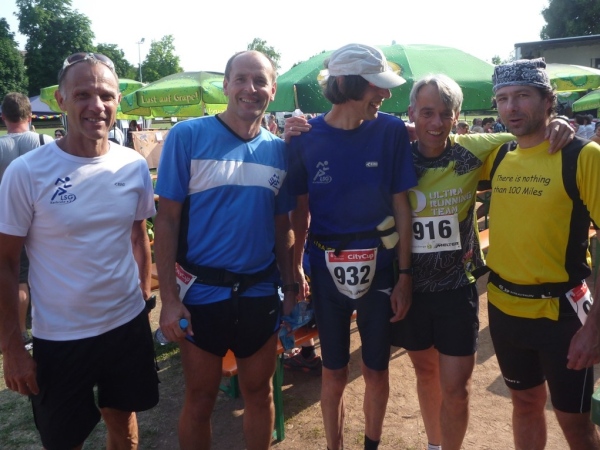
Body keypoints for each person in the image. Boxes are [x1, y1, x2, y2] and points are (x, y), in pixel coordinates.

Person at [388, 74, 573, 450]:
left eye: (445, 114)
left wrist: (558, 122)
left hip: (457, 287)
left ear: (457, 117)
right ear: (411, 113)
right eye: (427, 113)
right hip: (409, 286)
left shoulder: (474, 150)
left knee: (457, 389)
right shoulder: (396, 155)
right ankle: (434, 445)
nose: (436, 123)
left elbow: (528, 135)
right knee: (425, 372)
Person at [0, 52, 159, 449]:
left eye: (105, 95)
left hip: (125, 326)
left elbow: (138, 235)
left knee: (123, 423)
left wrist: (143, 294)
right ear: (61, 100)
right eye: (83, 94)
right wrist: (12, 346)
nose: (96, 105)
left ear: (118, 100)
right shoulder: (27, 172)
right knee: (63, 440)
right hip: (61, 336)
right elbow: (5, 262)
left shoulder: (133, 165)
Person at [154, 50, 296, 450]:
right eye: (241, 79)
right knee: (201, 399)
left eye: (260, 81)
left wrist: (290, 282)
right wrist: (169, 300)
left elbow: (281, 225)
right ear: (226, 85)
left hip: (259, 292)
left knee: (260, 393)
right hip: (201, 294)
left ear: (272, 90)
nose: (251, 88)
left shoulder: (279, 150)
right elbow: (166, 221)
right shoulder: (187, 136)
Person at [286, 43, 416, 450]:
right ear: (346, 84)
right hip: (325, 270)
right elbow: (299, 213)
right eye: (377, 85)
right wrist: (296, 265)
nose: (386, 94)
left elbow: (402, 205)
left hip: (381, 266)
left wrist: (405, 275)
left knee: (376, 370)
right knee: (334, 372)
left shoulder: (391, 131)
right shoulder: (304, 137)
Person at [481, 58, 600, 449]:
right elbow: (429, 138)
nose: (511, 107)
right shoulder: (498, 155)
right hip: (503, 308)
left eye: (522, 96)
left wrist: (594, 327)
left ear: (548, 100)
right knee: (525, 404)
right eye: (502, 98)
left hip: (562, 315)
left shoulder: (583, 156)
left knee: (575, 424)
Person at [0, 92, 54, 348]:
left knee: (18, 275)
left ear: (4, 117)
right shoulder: (45, 141)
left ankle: (21, 331)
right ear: (30, 115)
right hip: (46, 219)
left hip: (9, 220)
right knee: (49, 271)